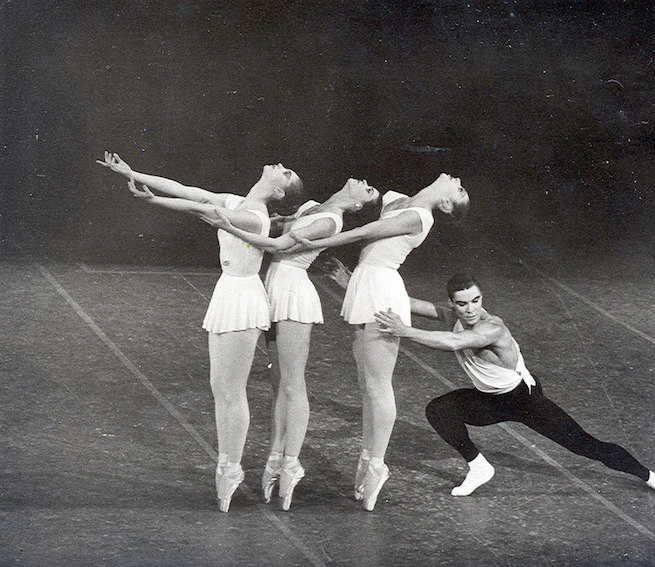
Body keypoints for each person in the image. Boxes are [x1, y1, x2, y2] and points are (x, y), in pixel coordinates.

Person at [97, 152, 304, 512]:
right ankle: (229, 463)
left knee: (232, 389)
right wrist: (131, 172)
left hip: (243, 297)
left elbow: (204, 212)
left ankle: (231, 466)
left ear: (280, 193)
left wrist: (153, 200)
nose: (279, 165)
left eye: (285, 173)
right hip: (228, 292)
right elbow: (188, 191)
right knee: (219, 387)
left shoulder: (254, 217)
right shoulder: (239, 200)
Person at [373, 272, 655, 500]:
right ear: (453, 304)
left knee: (584, 445)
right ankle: (479, 467)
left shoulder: (491, 327)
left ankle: (652, 478)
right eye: (463, 304)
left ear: (483, 299)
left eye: (476, 301)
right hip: (489, 400)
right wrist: (362, 287)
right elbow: (414, 304)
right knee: (439, 410)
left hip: (523, 400)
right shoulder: (454, 315)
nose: (471, 309)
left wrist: (404, 331)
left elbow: (454, 341)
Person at [292, 173, 469, 511]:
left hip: (383, 293)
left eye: (459, 190)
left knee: (377, 385)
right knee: (365, 386)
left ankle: (377, 464)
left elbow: (363, 233)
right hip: (366, 286)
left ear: (446, 204)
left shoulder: (420, 217)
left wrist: (308, 243)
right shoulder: (397, 197)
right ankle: (367, 456)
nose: (457, 178)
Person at [206, 178, 381, 510]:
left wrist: (228, 226)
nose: (365, 183)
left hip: (293, 294)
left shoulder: (332, 221)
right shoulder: (312, 207)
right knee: (278, 383)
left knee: (292, 382)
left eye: (369, 191)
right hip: (273, 288)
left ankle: (290, 461)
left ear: (357, 205)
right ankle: (276, 455)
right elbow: (274, 228)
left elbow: (276, 247)